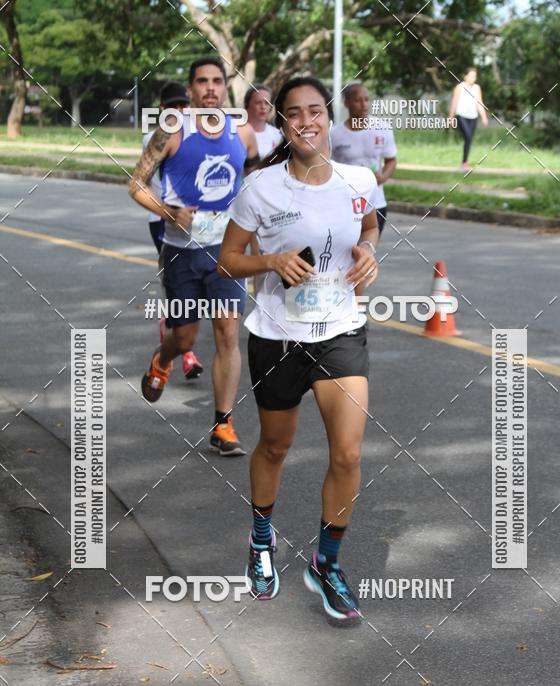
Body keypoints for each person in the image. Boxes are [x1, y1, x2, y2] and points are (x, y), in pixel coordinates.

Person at [218, 76, 379, 625]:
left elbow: (370, 225)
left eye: (315, 110)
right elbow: (228, 260)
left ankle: (326, 564)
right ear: (283, 122)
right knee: (275, 445)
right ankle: (261, 540)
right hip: (278, 336)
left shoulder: (360, 179)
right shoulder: (261, 188)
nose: (306, 121)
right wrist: (271, 261)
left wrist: (369, 252)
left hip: (340, 332)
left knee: (348, 454)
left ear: (328, 117)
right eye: (294, 112)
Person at [128, 57, 259, 456]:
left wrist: (260, 242)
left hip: (227, 252)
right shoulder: (171, 130)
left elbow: (255, 185)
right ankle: (163, 360)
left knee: (227, 333)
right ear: (191, 90)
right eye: (202, 81)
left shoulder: (243, 132)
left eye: (217, 81)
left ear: (225, 87)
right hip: (181, 252)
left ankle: (223, 425)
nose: (210, 88)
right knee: (184, 336)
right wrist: (168, 211)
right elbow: (136, 184)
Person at [143, 80, 203, 381]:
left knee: (197, 285)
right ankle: (185, 351)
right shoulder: (153, 138)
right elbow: (142, 183)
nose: (179, 110)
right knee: (180, 284)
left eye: (183, 105)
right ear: (162, 108)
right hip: (162, 221)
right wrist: (167, 210)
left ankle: (175, 331)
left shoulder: (197, 135)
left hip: (196, 221)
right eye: (173, 106)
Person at [330, 81, 397, 235]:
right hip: (345, 203)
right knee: (347, 249)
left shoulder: (382, 128)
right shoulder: (334, 134)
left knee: (368, 247)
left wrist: (383, 177)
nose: (364, 105)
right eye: (357, 100)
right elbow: (327, 165)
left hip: (376, 203)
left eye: (366, 99)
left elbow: (391, 160)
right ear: (346, 103)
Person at [449, 67, 488, 170]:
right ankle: (464, 163)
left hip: (473, 117)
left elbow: (479, 103)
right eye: (471, 76)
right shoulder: (460, 87)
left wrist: (484, 117)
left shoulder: (477, 88)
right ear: (465, 76)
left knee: (469, 139)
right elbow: (454, 102)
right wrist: (451, 117)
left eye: (474, 76)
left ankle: (464, 163)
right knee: (468, 136)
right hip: (461, 115)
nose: (473, 78)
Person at [244, 84, 280, 161]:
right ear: (247, 106)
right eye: (258, 102)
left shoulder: (277, 135)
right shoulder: (236, 133)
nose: (263, 107)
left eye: (267, 103)